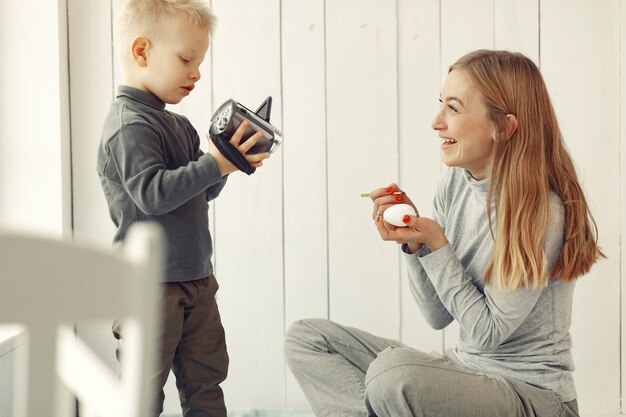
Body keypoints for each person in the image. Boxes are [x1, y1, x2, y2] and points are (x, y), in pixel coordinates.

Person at [284, 49, 604, 417]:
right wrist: (416, 244)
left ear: (503, 127)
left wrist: (437, 246)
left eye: (453, 108)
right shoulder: (455, 182)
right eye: (441, 104)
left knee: (392, 375)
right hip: (467, 372)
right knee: (307, 339)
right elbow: (437, 316)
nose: (436, 122)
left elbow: (487, 333)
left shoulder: (538, 211)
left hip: (533, 396)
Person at [97, 1, 270, 415]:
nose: (196, 72)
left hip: (196, 279)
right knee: (141, 395)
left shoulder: (179, 125)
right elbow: (153, 195)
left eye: (200, 62)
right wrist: (214, 163)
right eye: (186, 59)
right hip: (147, 288)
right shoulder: (129, 125)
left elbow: (201, 193)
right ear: (142, 52)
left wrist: (226, 163)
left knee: (207, 382)